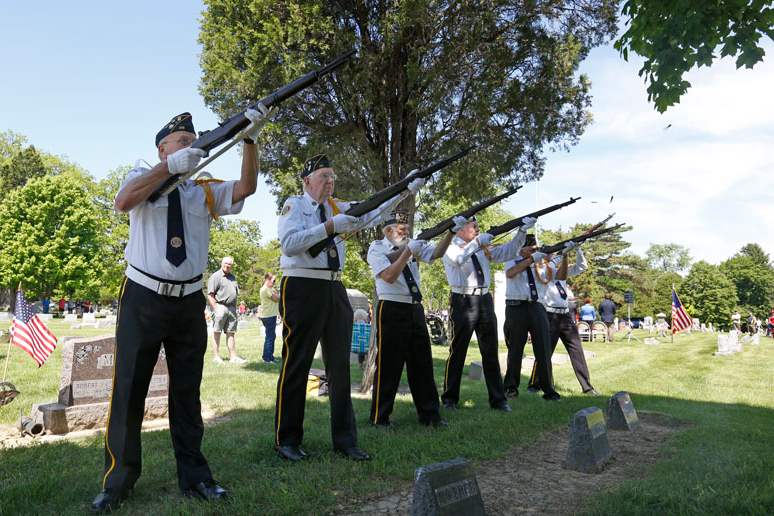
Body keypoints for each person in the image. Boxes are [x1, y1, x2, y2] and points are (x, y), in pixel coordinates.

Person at [91, 108, 267, 512]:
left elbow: (245, 188)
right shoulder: (143, 175)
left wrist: (250, 140)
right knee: (129, 390)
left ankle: (196, 476)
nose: (190, 146)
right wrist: (168, 168)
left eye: (193, 141)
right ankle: (118, 479)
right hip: (144, 296)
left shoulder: (201, 189)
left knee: (187, 393)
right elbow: (124, 201)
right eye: (181, 142)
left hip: (188, 300)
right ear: (162, 149)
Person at [273, 153, 408, 462]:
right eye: (324, 176)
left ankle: (345, 441)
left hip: (334, 286)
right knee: (298, 362)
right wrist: (329, 227)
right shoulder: (295, 205)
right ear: (307, 181)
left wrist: (404, 190)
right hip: (301, 284)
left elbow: (372, 212)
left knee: (339, 366)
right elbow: (290, 244)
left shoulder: (336, 206)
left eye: (332, 176)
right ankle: (287, 440)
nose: (330, 181)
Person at [366, 210, 453, 429]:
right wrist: (407, 253)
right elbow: (388, 276)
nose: (406, 232)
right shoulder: (376, 248)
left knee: (422, 364)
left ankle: (430, 415)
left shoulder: (411, 244)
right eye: (401, 229)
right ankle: (380, 417)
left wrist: (450, 232)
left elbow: (436, 254)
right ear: (387, 231)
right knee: (389, 365)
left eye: (407, 229)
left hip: (414, 308)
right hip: (391, 307)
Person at [440, 215, 535, 412]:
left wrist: (521, 231)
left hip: (484, 299)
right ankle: (450, 398)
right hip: (463, 299)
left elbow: (507, 252)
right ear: (459, 228)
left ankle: (498, 399)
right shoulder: (450, 246)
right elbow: (459, 259)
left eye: (476, 225)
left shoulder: (480, 246)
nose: (476, 227)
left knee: (490, 351)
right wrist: (478, 241)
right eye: (472, 224)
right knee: (458, 350)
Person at [526, 242, 598, 395]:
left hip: (565, 315)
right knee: (544, 352)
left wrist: (578, 248)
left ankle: (587, 387)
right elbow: (548, 272)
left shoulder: (561, 271)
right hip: (549, 315)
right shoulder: (540, 270)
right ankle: (534, 384)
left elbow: (581, 267)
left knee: (576, 350)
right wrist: (562, 254)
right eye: (549, 253)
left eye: (553, 253)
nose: (551, 255)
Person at [502, 234, 561, 401]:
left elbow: (549, 277)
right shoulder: (512, 257)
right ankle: (511, 387)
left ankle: (548, 389)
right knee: (515, 350)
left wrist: (551, 256)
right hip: (516, 306)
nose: (533, 251)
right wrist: (530, 259)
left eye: (535, 248)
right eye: (531, 248)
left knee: (543, 349)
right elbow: (511, 273)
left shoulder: (539, 262)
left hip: (536, 305)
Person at [207, 256, 245, 364]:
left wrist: (235, 307)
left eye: (230, 264)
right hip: (220, 306)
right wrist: (216, 308)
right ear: (222, 263)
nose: (228, 266)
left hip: (232, 308)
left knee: (231, 333)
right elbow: (210, 295)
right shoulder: (216, 276)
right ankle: (216, 357)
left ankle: (233, 357)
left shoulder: (233, 277)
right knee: (217, 332)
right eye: (226, 263)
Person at [259, 272, 279, 364]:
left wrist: (276, 293)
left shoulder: (269, 288)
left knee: (271, 336)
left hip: (270, 315)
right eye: (273, 280)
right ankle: (267, 358)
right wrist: (276, 294)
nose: (274, 283)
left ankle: (270, 356)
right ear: (267, 279)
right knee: (270, 337)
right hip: (268, 316)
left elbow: (277, 295)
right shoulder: (266, 289)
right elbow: (276, 298)